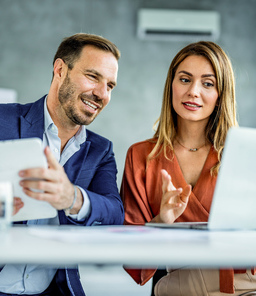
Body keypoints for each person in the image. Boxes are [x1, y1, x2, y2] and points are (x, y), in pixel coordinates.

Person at [121, 41, 256, 295]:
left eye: (208, 83)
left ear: (220, 95)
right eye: (185, 79)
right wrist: (162, 221)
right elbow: (132, 263)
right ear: (171, 85)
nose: (194, 91)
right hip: (180, 285)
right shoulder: (141, 156)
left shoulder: (245, 155)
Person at [0, 33, 124, 296]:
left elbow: (114, 212)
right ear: (59, 70)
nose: (102, 94)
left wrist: (73, 198)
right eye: (93, 76)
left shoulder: (101, 151)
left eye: (110, 86)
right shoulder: (3, 121)